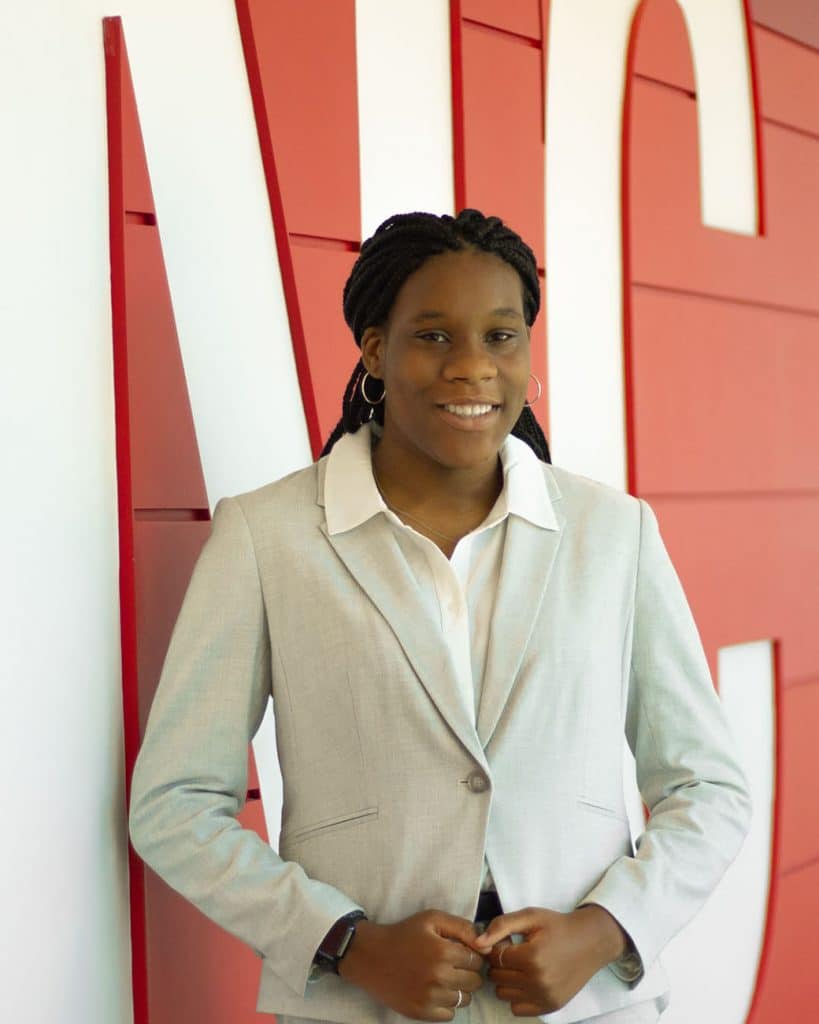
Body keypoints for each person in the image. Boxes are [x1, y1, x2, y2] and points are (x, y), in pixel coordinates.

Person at [129, 209, 752, 1023]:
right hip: (366, 1004)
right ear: (374, 350)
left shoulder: (612, 534)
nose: (472, 368)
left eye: (500, 336)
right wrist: (345, 942)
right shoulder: (267, 537)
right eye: (431, 336)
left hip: (582, 1005)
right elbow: (173, 803)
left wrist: (603, 931)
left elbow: (707, 785)